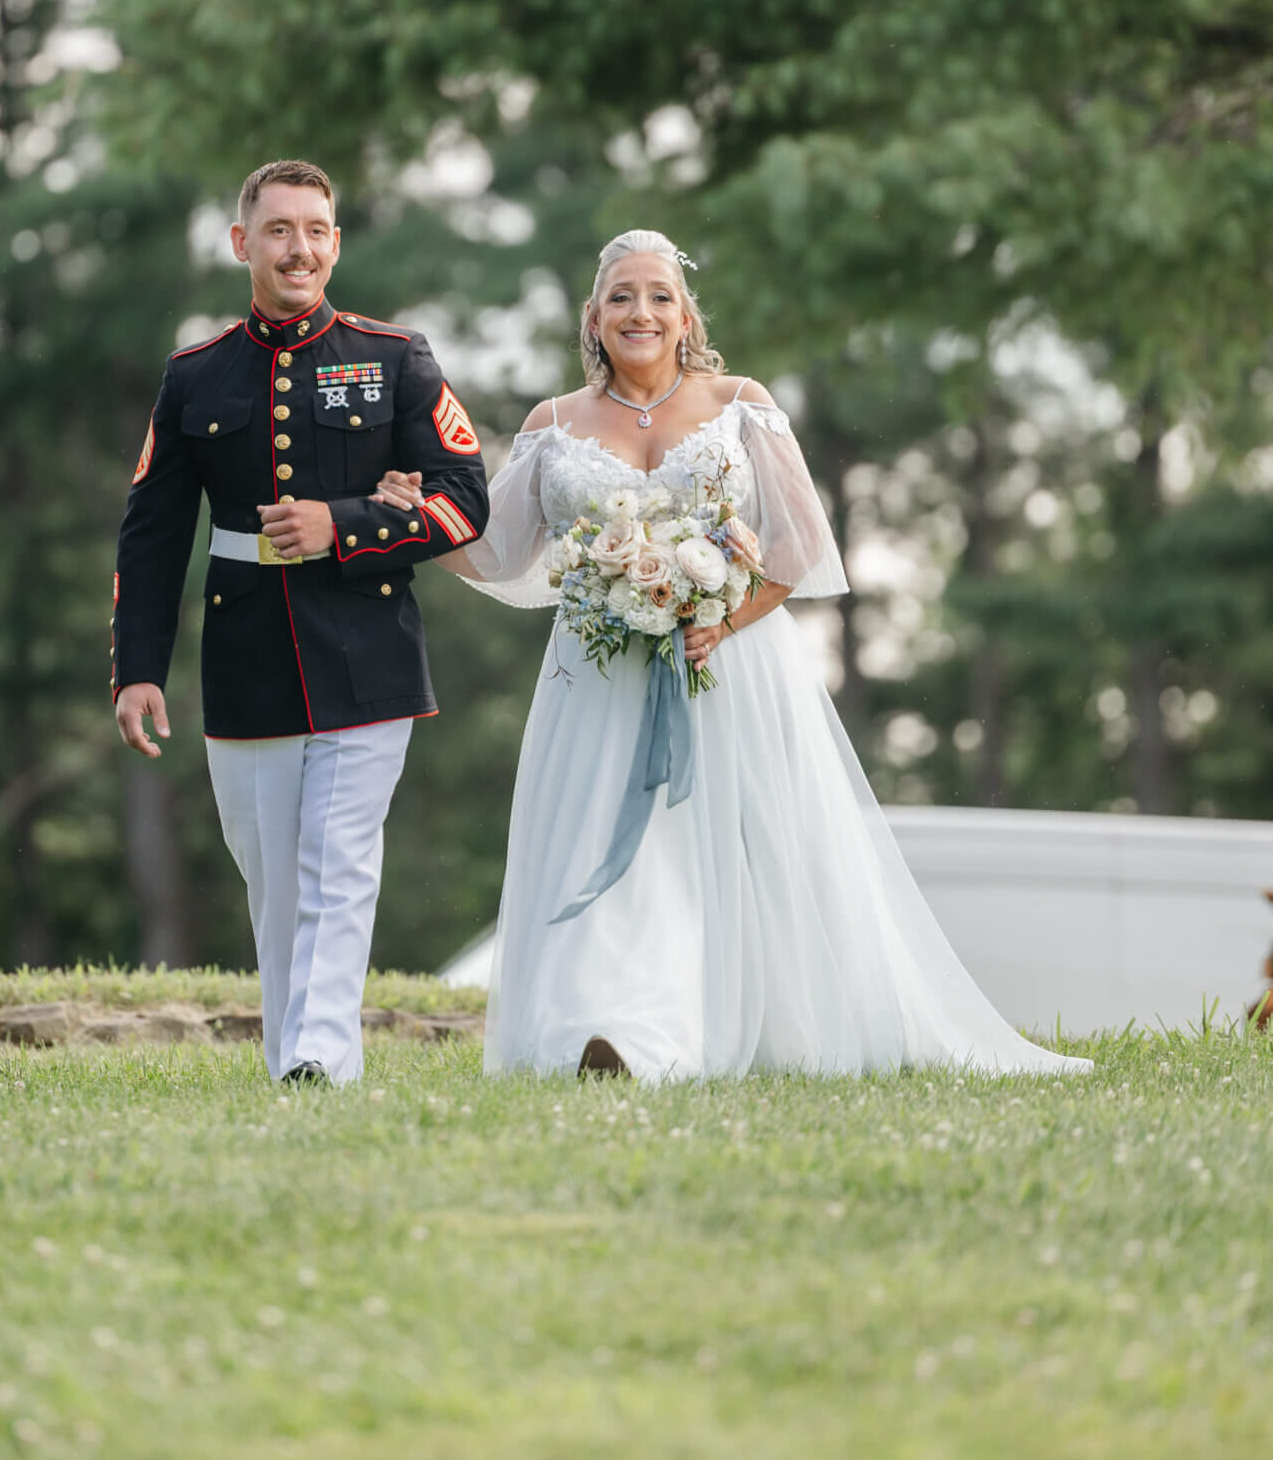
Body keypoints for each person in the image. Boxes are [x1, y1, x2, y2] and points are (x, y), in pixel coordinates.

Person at [377, 229, 1091, 1084]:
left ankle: (750, 1023)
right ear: (592, 318)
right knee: (610, 847)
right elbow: (498, 554)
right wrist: (416, 518)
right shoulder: (551, 424)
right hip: (596, 678)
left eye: (659, 296)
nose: (640, 311)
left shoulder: (741, 404)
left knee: (733, 850)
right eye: (620, 297)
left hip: (728, 667)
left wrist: (723, 618)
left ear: (686, 318)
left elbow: (797, 546)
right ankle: (611, 1031)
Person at [111, 160, 490, 1086]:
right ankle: (295, 1061)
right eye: (279, 230)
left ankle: (320, 1056)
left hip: (368, 649)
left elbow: (465, 499)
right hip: (245, 657)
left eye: (316, 230)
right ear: (242, 243)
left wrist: (344, 525)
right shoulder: (194, 375)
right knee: (274, 881)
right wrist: (137, 667)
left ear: (336, 244)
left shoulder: (394, 357)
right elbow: (152, 533)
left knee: (337, 864)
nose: (300, 249)